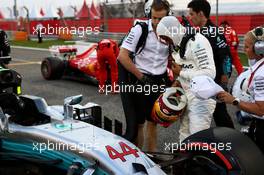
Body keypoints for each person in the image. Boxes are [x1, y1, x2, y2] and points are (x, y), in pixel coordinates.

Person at [118, 0, 171, 151]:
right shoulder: (139, 29)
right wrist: (141, 77)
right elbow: (122, 56)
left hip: (159, 81)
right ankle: (138, 158)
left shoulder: (172, 30)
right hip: (140, 79)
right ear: (150, 14)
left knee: (153, 123)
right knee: (139, 123)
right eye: (154, 18)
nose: (156, 22)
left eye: (160, 19)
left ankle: (151, 159)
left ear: (168, 17)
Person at [156, 16, 216, 141]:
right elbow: (191, 69)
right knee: (184, 134)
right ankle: (184, 160)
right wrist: (178, 82)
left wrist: (181, 73)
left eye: (166, 38)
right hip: (186, 96)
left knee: (197, 139)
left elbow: (209, 73)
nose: (167, 42)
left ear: (172, 32)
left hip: (201, 98)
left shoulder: (197, 41)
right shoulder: (179, 45)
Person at [187, 0, 234, 128]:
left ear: (201, 13)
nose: (189, 17)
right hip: (204, 80)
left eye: (191, 14)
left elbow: (226, 57)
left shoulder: (215, 32)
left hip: (215, 81)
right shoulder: (199, 33)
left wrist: (224, 80)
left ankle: (231, 141)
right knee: (208, 115)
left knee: (220, 115)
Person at [218, 26, 264, 152]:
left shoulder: (261, 75)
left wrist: (234, 100)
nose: (244, 49)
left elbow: (261, 110)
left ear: (259, 49)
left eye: (247, 47)